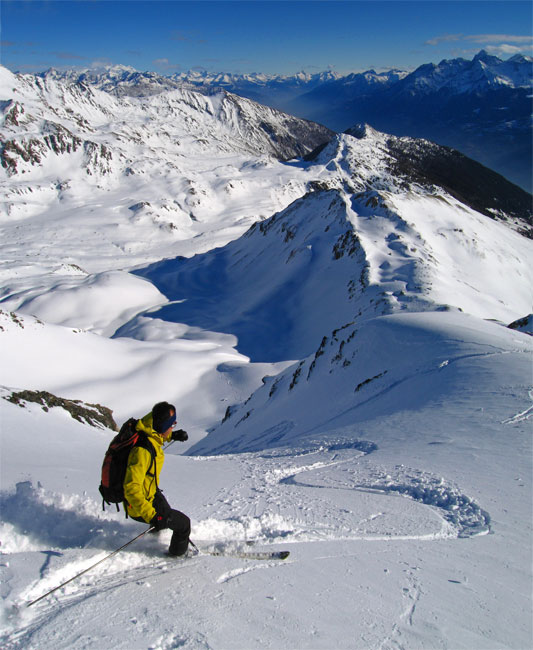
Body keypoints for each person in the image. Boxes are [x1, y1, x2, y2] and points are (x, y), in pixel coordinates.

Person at [123, 401, 191, 556]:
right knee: (183, 524)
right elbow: (131, 488)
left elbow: (156, 435)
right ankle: (177, 557)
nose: (173, 426)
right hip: (139, 505)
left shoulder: (149, 432)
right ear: (163, 425)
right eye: (172, 424)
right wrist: (152, 515)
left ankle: (154, 535)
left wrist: (173, 435)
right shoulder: (142, 451)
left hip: (151, 493)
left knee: (166, 513)